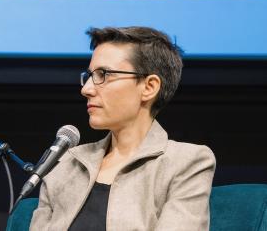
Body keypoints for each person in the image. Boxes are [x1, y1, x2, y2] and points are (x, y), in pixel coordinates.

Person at [30, 26, 216, 231]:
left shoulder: (186, 162)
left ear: (149, 87)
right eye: (90, 75)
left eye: (103, 74)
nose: (86, 89)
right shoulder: (66, 164)